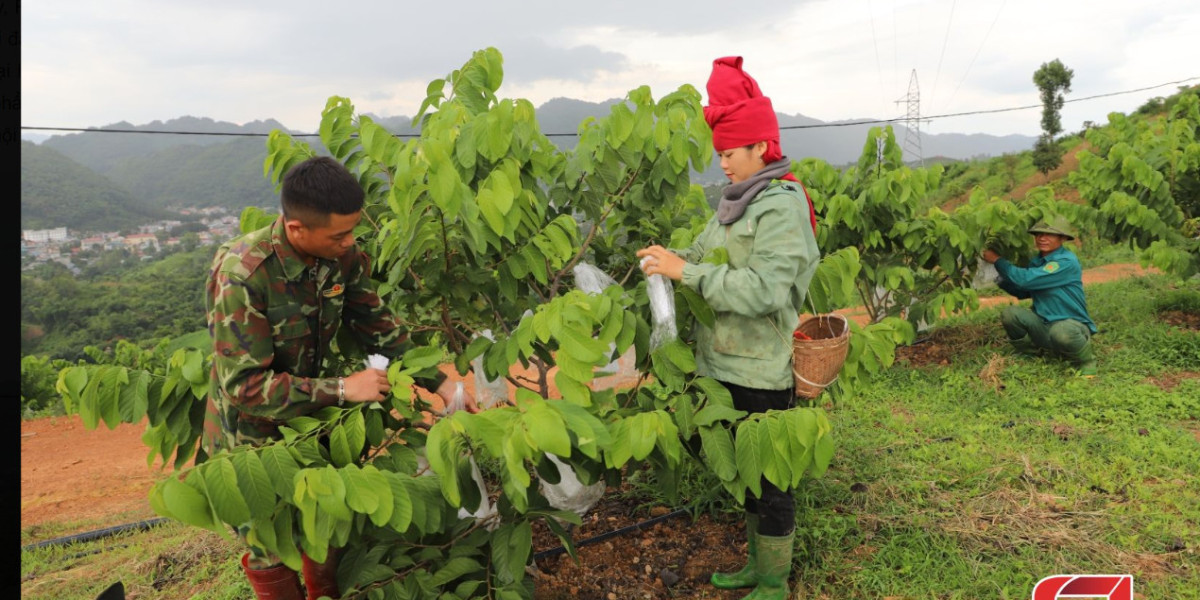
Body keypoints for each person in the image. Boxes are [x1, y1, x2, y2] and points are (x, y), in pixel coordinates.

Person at [204, 155, 477, 599]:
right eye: (339, 234)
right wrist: (344, 389)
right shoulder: (244, 275)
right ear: (297, 229)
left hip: (316, 421)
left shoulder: (340, 257)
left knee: (324, 522)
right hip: (251, 437)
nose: (349, 242)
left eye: (353, 231)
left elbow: (375, 323)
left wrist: (443, 384)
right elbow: (245, 389)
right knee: (270, 544)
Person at [637, 56, 820, 600]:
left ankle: (773, 580)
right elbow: (700, 252)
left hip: (762, 368)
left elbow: (765, 289)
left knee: (770, 482)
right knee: (743, 475)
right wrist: (670, 257)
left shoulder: (780, 207)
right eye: (718, 155)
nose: (724, 165)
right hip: (721, 365)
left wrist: (687, 272)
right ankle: (754, 566)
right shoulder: (735, 204)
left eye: (730, 154)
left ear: (761, 147)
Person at [982, 218, 1098, 377]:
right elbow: (1022, 292)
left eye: (1049, 235)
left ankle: (1086, 361)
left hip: (1072, 326)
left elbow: (1025, 279)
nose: (1042, 238)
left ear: (1063, 238)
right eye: (1038, 234)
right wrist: (997, 278)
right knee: (1010, 314)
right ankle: (1031, 353)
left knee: (1061, 331)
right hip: (1045, 325)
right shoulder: (1037, 262)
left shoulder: (1066, 261)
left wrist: (997, 260)